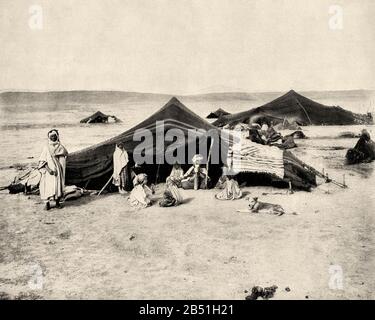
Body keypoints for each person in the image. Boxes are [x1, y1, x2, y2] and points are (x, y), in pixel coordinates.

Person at [38, 129, 68, 210]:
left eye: (55, 136)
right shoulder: (46, 147)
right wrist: (49, 170)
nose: (53, 137)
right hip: (49, 171)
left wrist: (60, 169)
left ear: (57, 136)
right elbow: (43, 160)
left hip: (58, 170)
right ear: (49, 137)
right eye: (51, 136)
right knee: (47, 186)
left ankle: (57, 202)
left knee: (57, 186)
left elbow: (63, 158)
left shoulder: (60, 147)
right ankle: (47, 204)